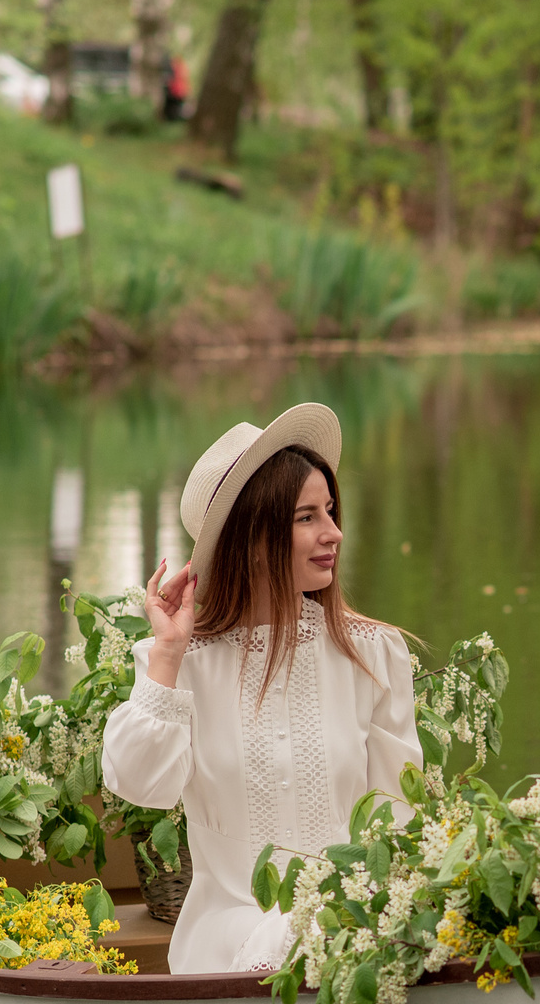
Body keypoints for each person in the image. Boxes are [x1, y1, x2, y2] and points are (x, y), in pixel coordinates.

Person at [102, 404, 421, 974]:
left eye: (330, 510)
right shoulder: (182, 662)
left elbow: (398, 822)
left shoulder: (373, 654)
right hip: (227, 941)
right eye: (306, 518)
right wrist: (170, 652)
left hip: (352, 940)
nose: (334, 533)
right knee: (286, 940)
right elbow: (138, 784)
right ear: (252, 537)